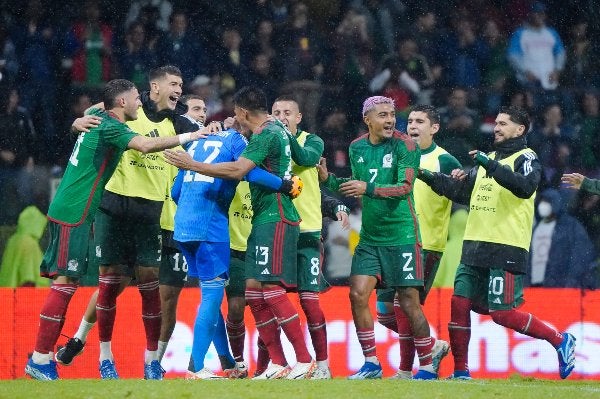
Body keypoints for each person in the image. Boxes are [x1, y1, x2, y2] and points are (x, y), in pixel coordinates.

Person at [24, 78, 206, 381]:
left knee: (68, 283)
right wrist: (192, 135)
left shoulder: (101, 120)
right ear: (123, 103)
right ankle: (41, 359)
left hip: (77, 208)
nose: (139, 102)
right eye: (135, 98)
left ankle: (46, 358)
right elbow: (145, 145)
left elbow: (102, 105)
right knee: (66, 283)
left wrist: (76, 120)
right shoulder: (111, 126)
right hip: (76, 210)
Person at [164, 86, 316, 380]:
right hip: (213, 225)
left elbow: (175, 191)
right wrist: (283, 185)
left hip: (183, 226)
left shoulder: (199, 142)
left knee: (215, 291)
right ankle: (196, 367)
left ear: (243, 113)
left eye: (235, 114)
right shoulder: (239, 140)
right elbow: (245, 171)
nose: (234, 119)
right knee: (214, 297)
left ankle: (231, 363)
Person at [419, 105, 576, 380]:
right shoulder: (488, 158)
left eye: (504, 123)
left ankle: (560, 340)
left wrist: (490, 164)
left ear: (520, 129)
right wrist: (424, 175)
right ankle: (460, 372)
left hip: (506, 246)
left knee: (502, 314)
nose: (497, 127)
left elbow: (525, 187)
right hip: (474, 245)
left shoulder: (527, 157)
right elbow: (460, 190)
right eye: (497, 123)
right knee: (458, 303)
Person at [318, 96, 438, 380]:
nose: (390, 120)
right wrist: (328, 179)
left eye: (392, 114)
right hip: (371, 238)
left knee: (409, 302)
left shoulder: (406, 146)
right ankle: (371, 363)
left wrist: (368, 188)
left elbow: (404, 187)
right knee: (357, 294)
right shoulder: (357, 147)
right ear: (367, 120)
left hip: (402, 235)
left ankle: (429, 366)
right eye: (382, 115)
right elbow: (355, 187)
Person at [375, 104, 460, 379]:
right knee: (383, 310)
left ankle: (406, 370)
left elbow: (463, 190)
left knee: (403, 304)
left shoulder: (445, 161)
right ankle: (432, 346)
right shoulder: (398, 153)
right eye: (410, 120)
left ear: (434, 128)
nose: (412, 125)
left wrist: (461, 180)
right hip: (396, 240)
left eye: (420, 121)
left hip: (426, 243)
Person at [269, 95, 330, 378]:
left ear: (299, 117)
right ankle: (272, 364)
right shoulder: (268, 140)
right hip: (278, 230)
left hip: (307, 232)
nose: (282, 116)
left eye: (287, 113)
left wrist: (283, 135)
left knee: (309, 301)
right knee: (271, 299)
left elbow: (305, 159)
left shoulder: (313, 141)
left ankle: (323, 366)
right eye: (277, 112)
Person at [528, 188, 596, 288]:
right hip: (533, 285)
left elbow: (580, 256)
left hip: (558, 286)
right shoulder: (536, 227)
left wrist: (571, 282)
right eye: (542, 201)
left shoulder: (571, 226)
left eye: (547, 201)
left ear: (555, 203)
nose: (543, 205)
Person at [0, 205, 49, 287]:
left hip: (7, 296)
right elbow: (27, 279)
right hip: (24, 297)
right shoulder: (29, 243)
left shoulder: (13, 240)